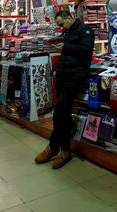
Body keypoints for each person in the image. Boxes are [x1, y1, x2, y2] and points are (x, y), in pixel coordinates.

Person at [34, 10, 94, 169]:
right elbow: (64, 56)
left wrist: (65, 48)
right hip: (63, 75)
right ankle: (63, 150)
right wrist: (56, 68)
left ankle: (54, 146)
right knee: (62, 114)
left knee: (60, 111)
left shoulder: (86, 31)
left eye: (62, 24)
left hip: (76, 76)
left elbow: (85, 51)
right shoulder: (67, 33)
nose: (61, 27)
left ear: (70, 17)